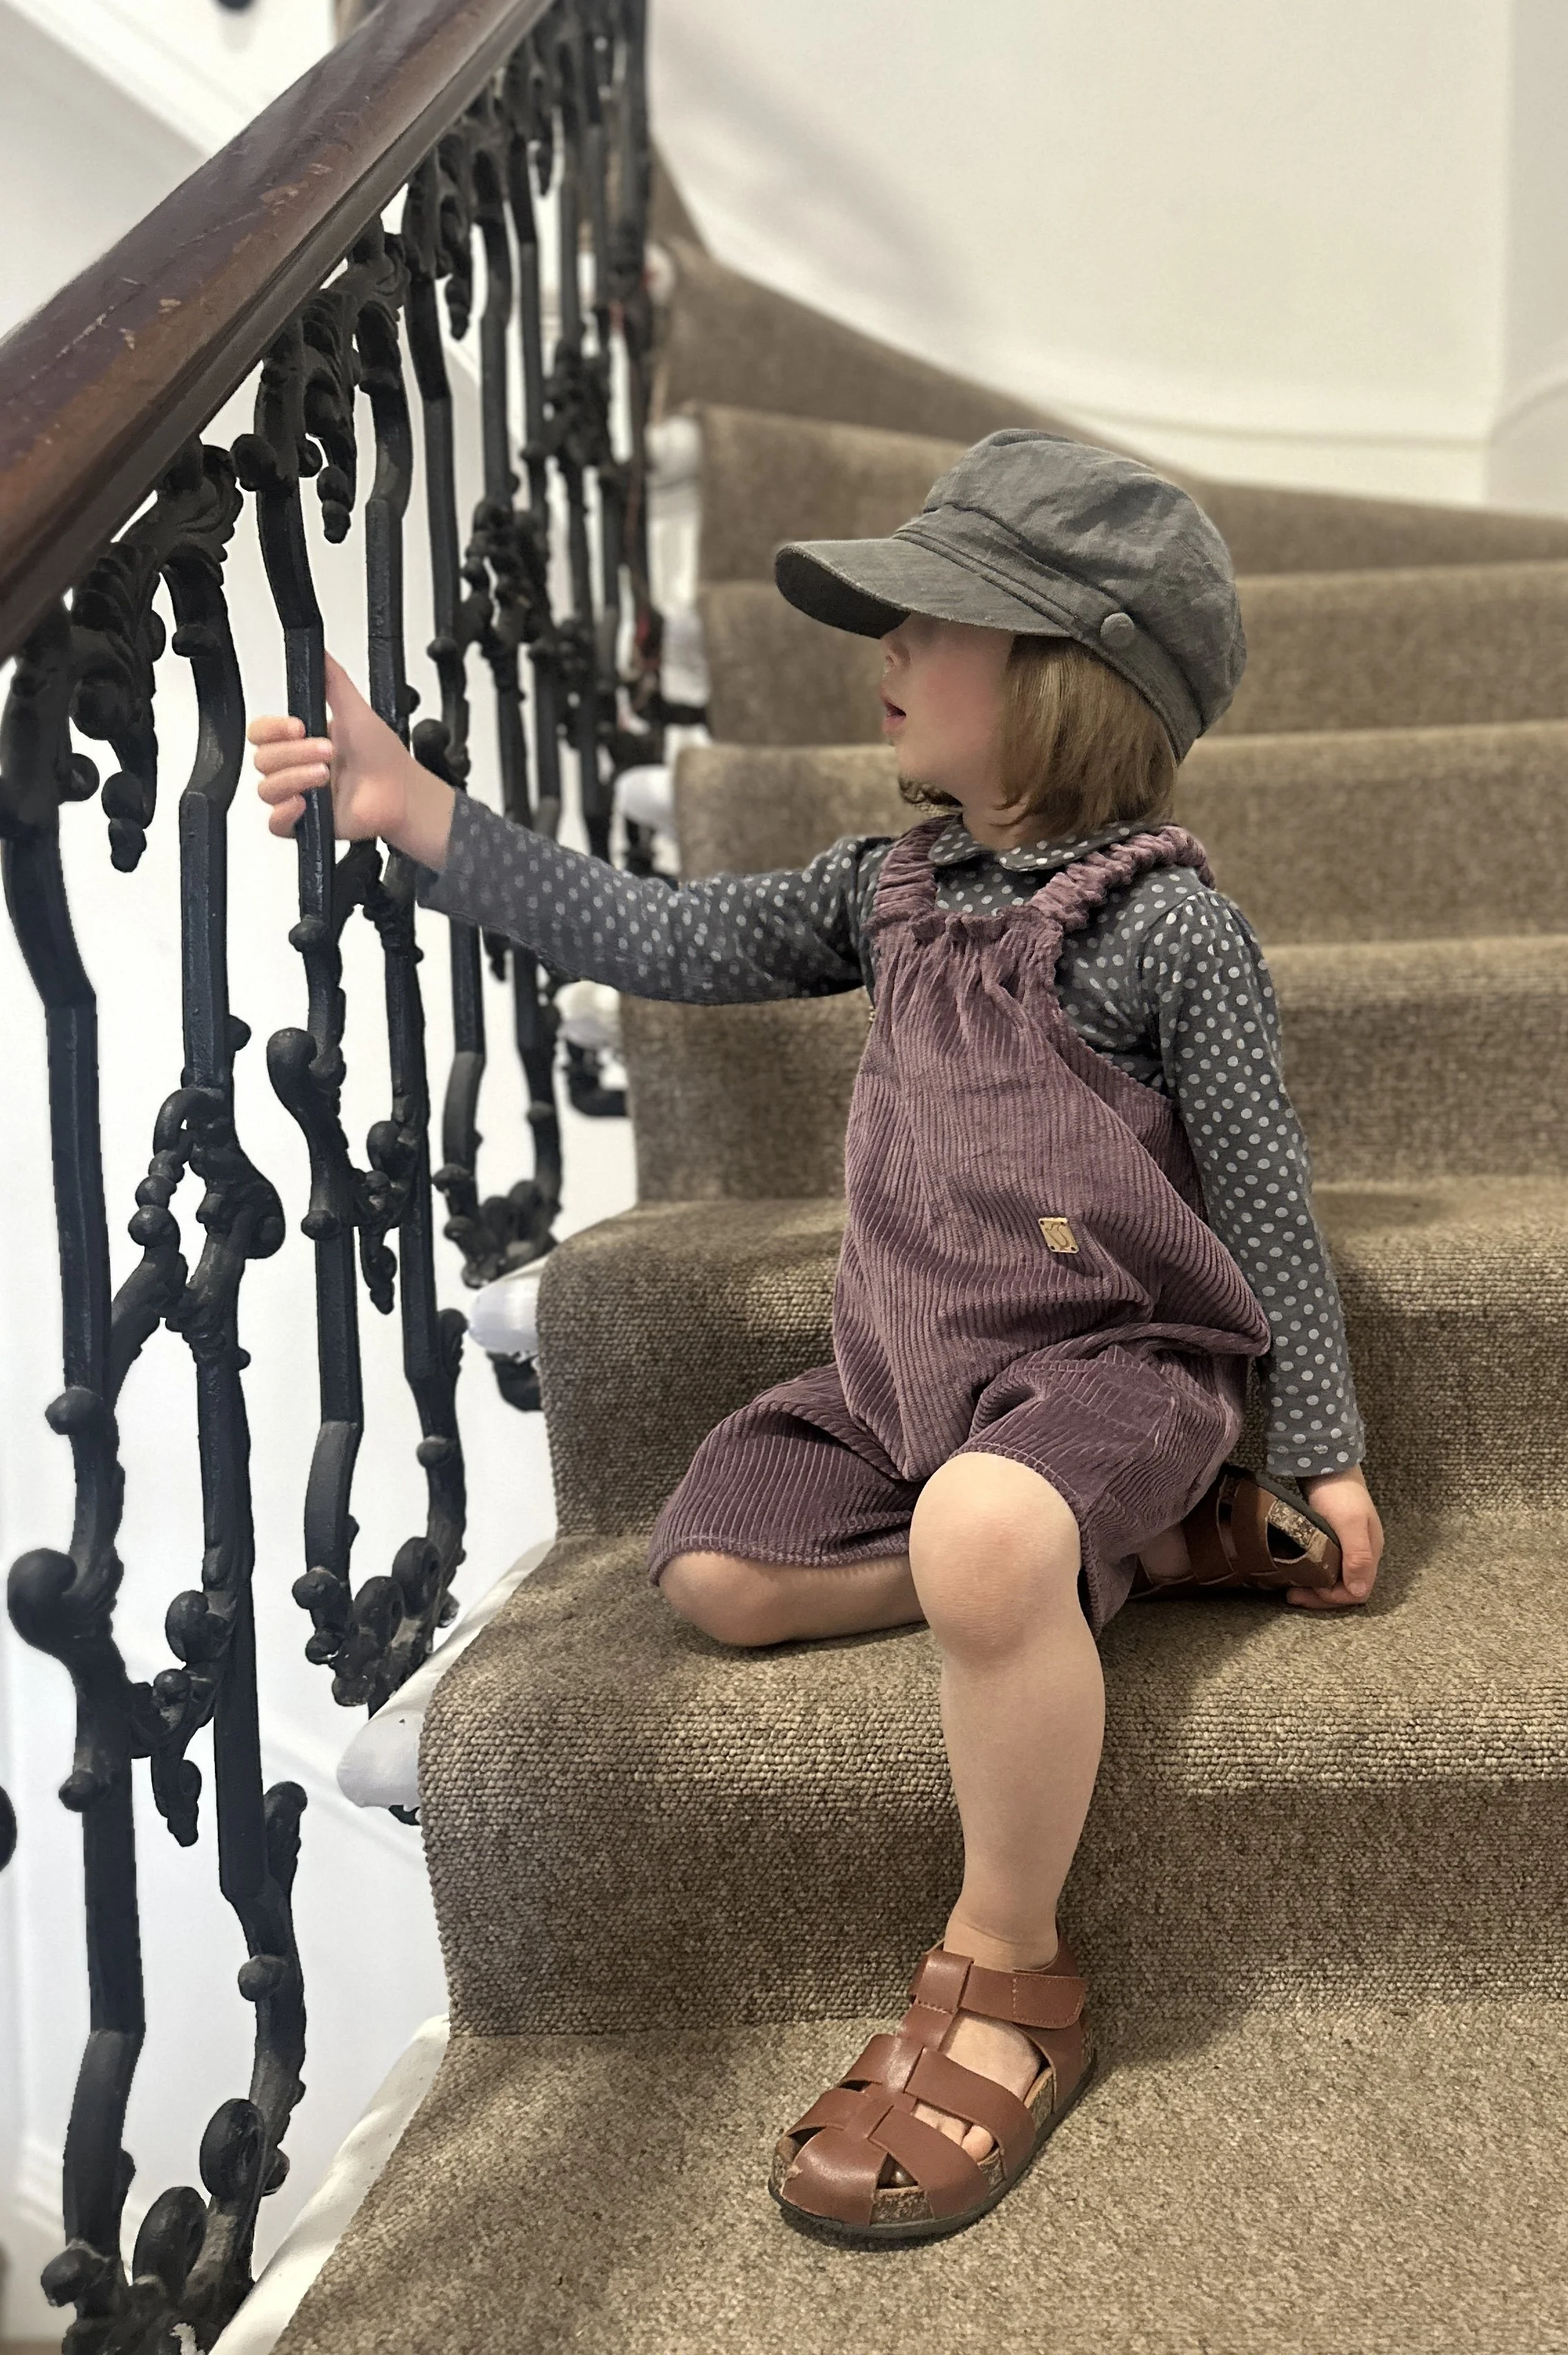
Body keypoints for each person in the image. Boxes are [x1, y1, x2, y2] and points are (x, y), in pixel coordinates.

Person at [250, 429, 1385, 2247]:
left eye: (929, 626)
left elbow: (1261, 1192)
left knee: (983, 1529)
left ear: (1059, 678)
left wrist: (1319, 1452)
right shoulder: (887, 888)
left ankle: (1008, 1966)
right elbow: (668, 929)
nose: (881, 655)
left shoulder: (1169, 929)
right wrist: (419, 815)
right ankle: (1092, 1560)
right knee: (712, 1572)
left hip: (1117, 1375)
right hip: (904, 1378)